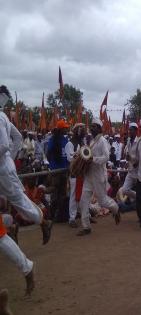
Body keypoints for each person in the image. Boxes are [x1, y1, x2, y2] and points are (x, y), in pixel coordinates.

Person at [0, 85, 51, 296]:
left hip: (2, 170)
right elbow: (17, 139)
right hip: (5, 167)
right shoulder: (3, 116)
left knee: (19, 201)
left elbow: (4, 144)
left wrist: (6, 159)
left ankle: (42, 220)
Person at [77, 118, 120, 236]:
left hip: (99, 176)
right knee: (83, 201)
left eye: (94, 126)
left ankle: (116, 209)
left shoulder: (102, 141)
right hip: (89, 176)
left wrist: (93, 159)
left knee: (103, 201)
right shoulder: (91, 141)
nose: (92, 128)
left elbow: (106, 157)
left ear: (100, 129)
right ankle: (86, 227)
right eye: (91, 126)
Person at [47, 120, 69, 222]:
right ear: (61, 129)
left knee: (63, 194)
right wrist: (52, 165)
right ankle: (51, 216)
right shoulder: (52, 139)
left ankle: (60, 215)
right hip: (55, 171)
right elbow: (48, 153)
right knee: (55, 194)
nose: (66, 129)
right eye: (65, 127)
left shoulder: (65, 140)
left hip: (64, 171)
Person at [65, 123, 86, 228]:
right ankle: (72, 218)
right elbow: (70, 158)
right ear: (77, 131)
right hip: (74, 173)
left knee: (83, 196)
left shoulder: (82, 142)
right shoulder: (70, 144)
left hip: (82, 173)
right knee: (73, 196)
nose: (83, 132)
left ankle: (84, 215)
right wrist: (79, 155)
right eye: (81, 130)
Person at [121, 122, 140, 214]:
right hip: (130, 170)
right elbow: (128, 155)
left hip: (139, 172)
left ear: (136, 131)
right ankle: (138, 197)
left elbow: (140, 158)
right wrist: (127, 162)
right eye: (129, 130)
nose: (129, 132)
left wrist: (131, 159)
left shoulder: (139, 141)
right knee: (124, 190)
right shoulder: (128, 141)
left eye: (131, 130)